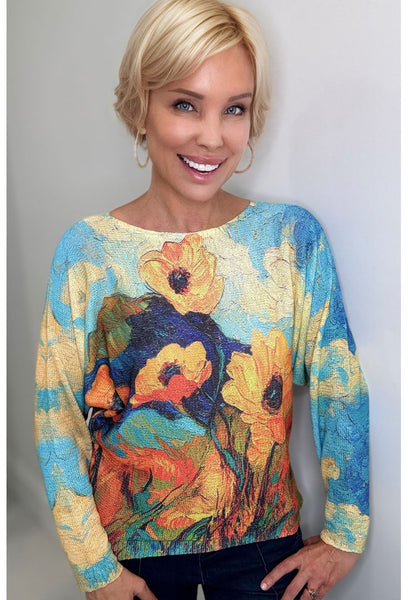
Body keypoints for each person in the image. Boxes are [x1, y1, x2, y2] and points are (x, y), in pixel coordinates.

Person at [34, 0, 369, 599]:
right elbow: (58, 417)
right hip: (131, 559)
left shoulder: (290, 239)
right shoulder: (87, 251)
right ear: (141, 106)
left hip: (263, 551)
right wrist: (94, 568)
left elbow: (339, 385)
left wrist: (346, 533)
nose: (213, 138)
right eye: (185, 104)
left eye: (234, 109)